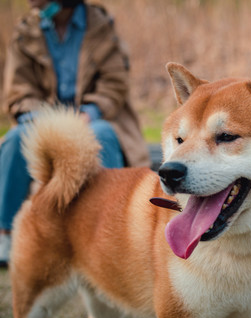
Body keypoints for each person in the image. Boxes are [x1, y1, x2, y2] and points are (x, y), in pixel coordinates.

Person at [0, 0, 150, 267]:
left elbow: (115, 83)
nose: (33, 3)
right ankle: (6, 234)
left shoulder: (102, 26)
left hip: (94, 117)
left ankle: (112, 232)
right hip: (42, 118)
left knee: (101, 135)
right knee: (14, 140)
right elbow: (18, 92)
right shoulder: (24, 33)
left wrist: (88, 113)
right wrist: (51, 120)